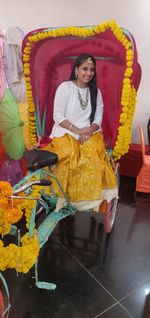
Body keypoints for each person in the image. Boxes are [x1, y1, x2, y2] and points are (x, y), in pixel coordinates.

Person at [45, 53, 117, 211]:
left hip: (90, 133)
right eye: (85, 68)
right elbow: (57, 116)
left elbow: (98, 118)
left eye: (91, 69)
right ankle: (62, 197)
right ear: (76, 69)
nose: (88, 73)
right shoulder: (65, 88)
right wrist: (78, 131)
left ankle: (85, 201)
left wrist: (89, 130)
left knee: (91, 155)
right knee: (67, 154)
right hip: (65, 131)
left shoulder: (96, 92)